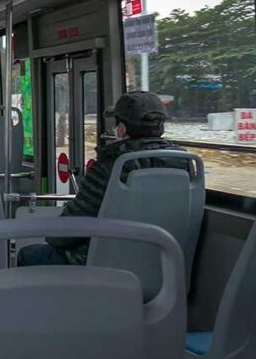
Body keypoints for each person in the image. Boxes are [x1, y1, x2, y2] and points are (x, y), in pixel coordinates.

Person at [17, 91, 189, 266]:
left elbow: (70, 229)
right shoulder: (184, 162)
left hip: (101, 263)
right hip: (165, 262)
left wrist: (53, 237)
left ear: (121, 129)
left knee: (27, 254)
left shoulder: (113, 165)